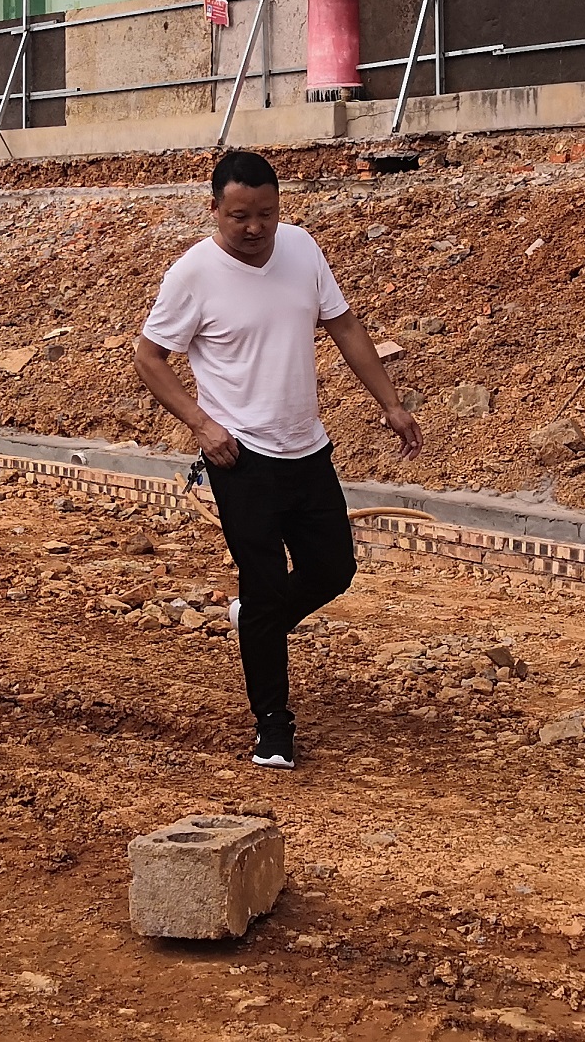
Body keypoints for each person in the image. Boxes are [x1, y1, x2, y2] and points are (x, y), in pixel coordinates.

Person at [132, 150, 422, 770]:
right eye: (240, 216)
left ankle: (257, 624)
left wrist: (391, 403)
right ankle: (273, 725)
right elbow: (149, 358)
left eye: (266, 213)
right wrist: (202, 425)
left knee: (333, 569)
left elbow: (344, 326)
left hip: (307, 445)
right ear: (215, 209)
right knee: (263, 586)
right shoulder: (193, 274)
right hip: (240, 456)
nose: (256, 228)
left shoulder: (301, 248)